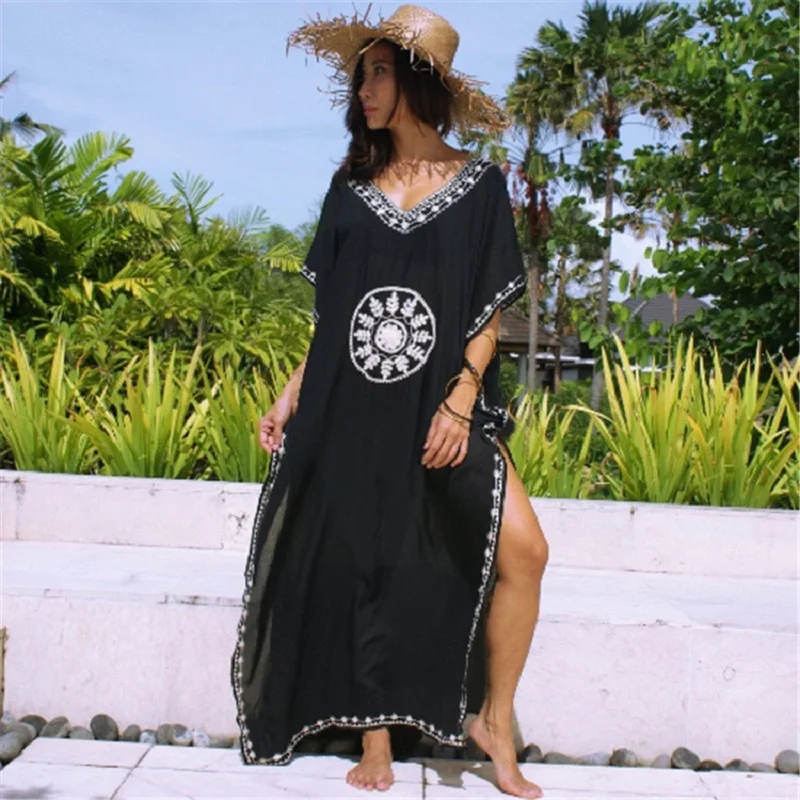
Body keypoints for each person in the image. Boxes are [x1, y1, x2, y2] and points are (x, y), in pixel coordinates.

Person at [231, 5, 549, 798]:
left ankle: (494, 718)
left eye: (378, 72)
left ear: (417, 82)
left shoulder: (478, 185)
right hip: (353, 408)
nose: (363, 89)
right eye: (360, 75)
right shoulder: (351, 190)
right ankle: (374, 737)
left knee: (526, 551)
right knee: (366, 560)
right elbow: (333, 318)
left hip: (442, 406)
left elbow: (487, 314)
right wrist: (289, 396)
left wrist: (461, 400)